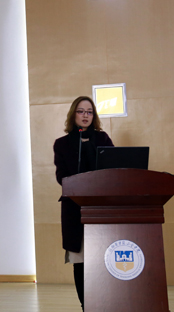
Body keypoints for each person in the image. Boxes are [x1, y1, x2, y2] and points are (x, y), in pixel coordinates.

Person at [53, 96, 114, 311]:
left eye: (89, 112)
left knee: (103, 261)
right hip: (74, 209)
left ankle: (105, 304)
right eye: (81, 111)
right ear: (73, 114)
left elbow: (112, 170)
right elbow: (61, 177)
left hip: (101, 208)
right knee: (80, 262)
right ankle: (85, 306)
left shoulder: (102, 138)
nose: (85, 115)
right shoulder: (62, 143)